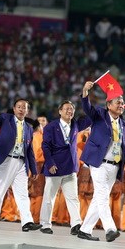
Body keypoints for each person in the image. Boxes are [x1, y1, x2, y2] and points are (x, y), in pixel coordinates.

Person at [77, 82, 125, 242]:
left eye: (122, 102)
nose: (121, 105)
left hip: (114, 166)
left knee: (99, 198)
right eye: (118, 102)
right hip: (99, 163)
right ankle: (110, 228)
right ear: (108, 105)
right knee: (103, 196)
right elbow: (87, 108)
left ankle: (84, 230)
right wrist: (85, 91)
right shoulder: (100, 115)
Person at [0, 89, 41, 232]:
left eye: (24, 107)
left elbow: (29, 150)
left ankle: (27, 222)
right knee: (0, 190)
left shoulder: (28, 128)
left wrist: (33, 169)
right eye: (19, 107)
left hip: (21, 163)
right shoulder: (6, 119)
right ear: (14, 109)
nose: (22, 109)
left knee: (22, 194)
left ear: (27, 111)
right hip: (6, 160)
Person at [39, 101, 91, 235]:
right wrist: (50, 163)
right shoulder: (51, 127)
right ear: (60, 111)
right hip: (55, 167)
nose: (70, 111)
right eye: (67, 109)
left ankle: (76, 224)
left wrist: (85, 96)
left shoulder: (76, 124)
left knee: (73, 198)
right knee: (49, 198)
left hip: (70, 168)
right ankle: (45, 224)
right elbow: (45, 146)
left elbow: (91, 115)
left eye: (72, 109)